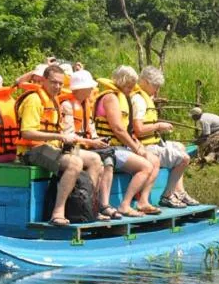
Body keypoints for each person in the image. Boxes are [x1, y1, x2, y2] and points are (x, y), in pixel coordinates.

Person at [16, 65, 105, 226]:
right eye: (53, 82)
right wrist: (60, 136)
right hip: (33, 150)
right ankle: (58, 212)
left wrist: (88, 142)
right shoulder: (34, 100)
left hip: (52, 147)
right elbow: (27, 133)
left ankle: (86, 207)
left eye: (60, 83)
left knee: (95, 160)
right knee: (74, 163)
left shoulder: (54, 101)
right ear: (43, 80)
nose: (57, 87)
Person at [94, 66, 162, 217]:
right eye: (128, 86)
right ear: (121, 82)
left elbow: (127, 129)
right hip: (109, 147)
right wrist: (136, 149)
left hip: (121, 146)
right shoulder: (111, 98)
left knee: (153, 160)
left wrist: (138, 146)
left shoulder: (122, 96)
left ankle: (143, 201)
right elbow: (118, 129)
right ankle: (125, 205)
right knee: (145, 166)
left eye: (132, 86)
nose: (131, 89)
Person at [59, 70, 121, 220]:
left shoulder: (86, 105)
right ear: (80, 89)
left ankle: (98, 205)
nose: (92, 90)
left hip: (85, 147)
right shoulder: (67, 105)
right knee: (96, 161)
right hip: (69, 149)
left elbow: (91, 131)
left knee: (107, 159)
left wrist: (99, 141)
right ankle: (88, 206)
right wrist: (91, 143)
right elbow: (69, 136)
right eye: (89, 87)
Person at [133, 66, 198, 208]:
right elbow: (138, 130)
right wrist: (158, 126)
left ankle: (179, 192)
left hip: (153, 142)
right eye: (155, 86)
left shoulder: (145, 97)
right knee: (184, 158)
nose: (156, 90)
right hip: (143, 147)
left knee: (181, 147)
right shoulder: (138, 100)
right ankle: (167, 195)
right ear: (145, 82)